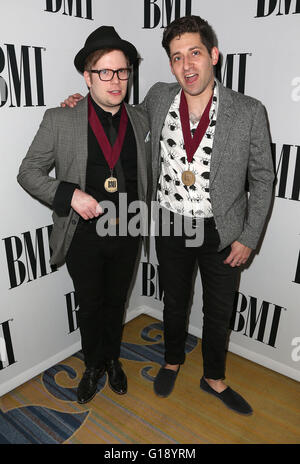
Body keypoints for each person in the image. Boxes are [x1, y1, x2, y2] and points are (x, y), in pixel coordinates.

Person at [62, 15, 274, 415]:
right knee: (174, 302)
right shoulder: (158, 98)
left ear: (213, 55)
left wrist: (249, 236)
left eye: (195, 53)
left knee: (219, 309)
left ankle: (214, 377)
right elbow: (116, 112)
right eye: (177, 57)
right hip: (171, 223)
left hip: (222, 230)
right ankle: (172, 360)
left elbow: (263, 179)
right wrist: (78, 102)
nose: (187, 65)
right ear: (170, 64)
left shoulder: (248, 111)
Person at [17, 26, 150, 404]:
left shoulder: (142, 120)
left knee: (116, 302)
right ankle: (93, 364)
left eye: (122, 71)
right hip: (83, 235)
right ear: (87, 76)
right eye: (104, 72)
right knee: (90, 304)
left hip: (129, 229)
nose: (115, 80)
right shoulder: (60, 118)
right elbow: (28, 172)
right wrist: (69, 194)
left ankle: (112, 359)